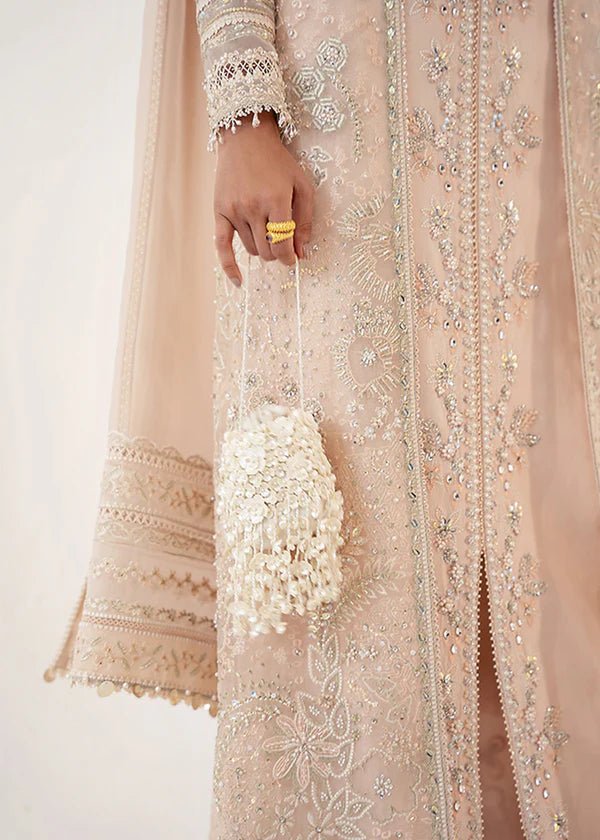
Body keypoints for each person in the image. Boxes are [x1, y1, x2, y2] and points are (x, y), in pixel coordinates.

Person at [45, 2, 600, 837]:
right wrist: (245, 108)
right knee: (365, 536)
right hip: (341, 107)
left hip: (551, 94)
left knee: (552, 509)